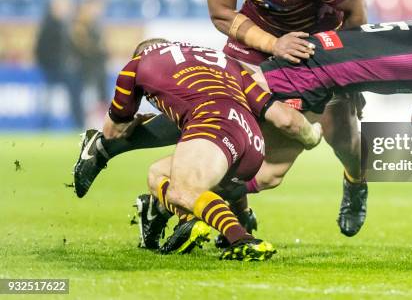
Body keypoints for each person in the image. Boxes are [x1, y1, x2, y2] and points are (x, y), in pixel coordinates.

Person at [73, 0, 370, 238]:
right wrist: (274, 43)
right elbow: (221, 14)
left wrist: (350, 76)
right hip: (259, 34)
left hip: (314, 48)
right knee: (216, 104)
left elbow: (355, 14)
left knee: (339, 136)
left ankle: (355, 183)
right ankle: (110, 148)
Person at [153, 13, 412, 251]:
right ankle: (171, 191)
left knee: (268, 173)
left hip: (321, 74)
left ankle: (182, 198)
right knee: (215, 128)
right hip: (303, 75)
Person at [99, 38, 322, 261]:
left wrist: (136, 121)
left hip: (214, 125)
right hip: (253, 144)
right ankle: (201, 219)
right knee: (158, 174)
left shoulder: (139, 64)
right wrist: (312, 136)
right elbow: (281, 116)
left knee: (181, 190)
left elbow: (112, 132)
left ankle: (240, 239)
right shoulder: (227, 63)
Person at [35, 0, 84, 129]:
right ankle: (78, 122)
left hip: (62, 68)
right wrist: (54, 63)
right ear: (54, 8)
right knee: (74, 85)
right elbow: (40, 50)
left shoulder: (64, 25)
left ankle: (78, 121)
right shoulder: (49, 26)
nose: (65, 10)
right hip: (52, 69)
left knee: (76, 81)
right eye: (62, 7)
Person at [72, 0, 108, 113]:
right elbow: (83, 46)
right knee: (88, 96)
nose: (99, 10)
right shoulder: (80, 24)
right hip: (86, 66)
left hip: (96, 66)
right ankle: (86, 120)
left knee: (98, 94)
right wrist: (99, 51)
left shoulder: (94, 23)